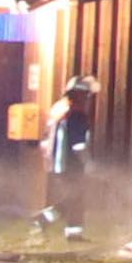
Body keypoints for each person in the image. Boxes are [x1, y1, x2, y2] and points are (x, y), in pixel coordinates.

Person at [35, 73, 98, 241]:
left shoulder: (60, 110)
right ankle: (46, 219)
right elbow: (78, 145)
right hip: (70, 164)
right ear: (80, 95)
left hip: (57, 164)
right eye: (86, 95)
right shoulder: (77, 114)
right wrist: (88, 163)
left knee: (75, 197)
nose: (88, 99)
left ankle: (72, 232)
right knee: (75, 197)